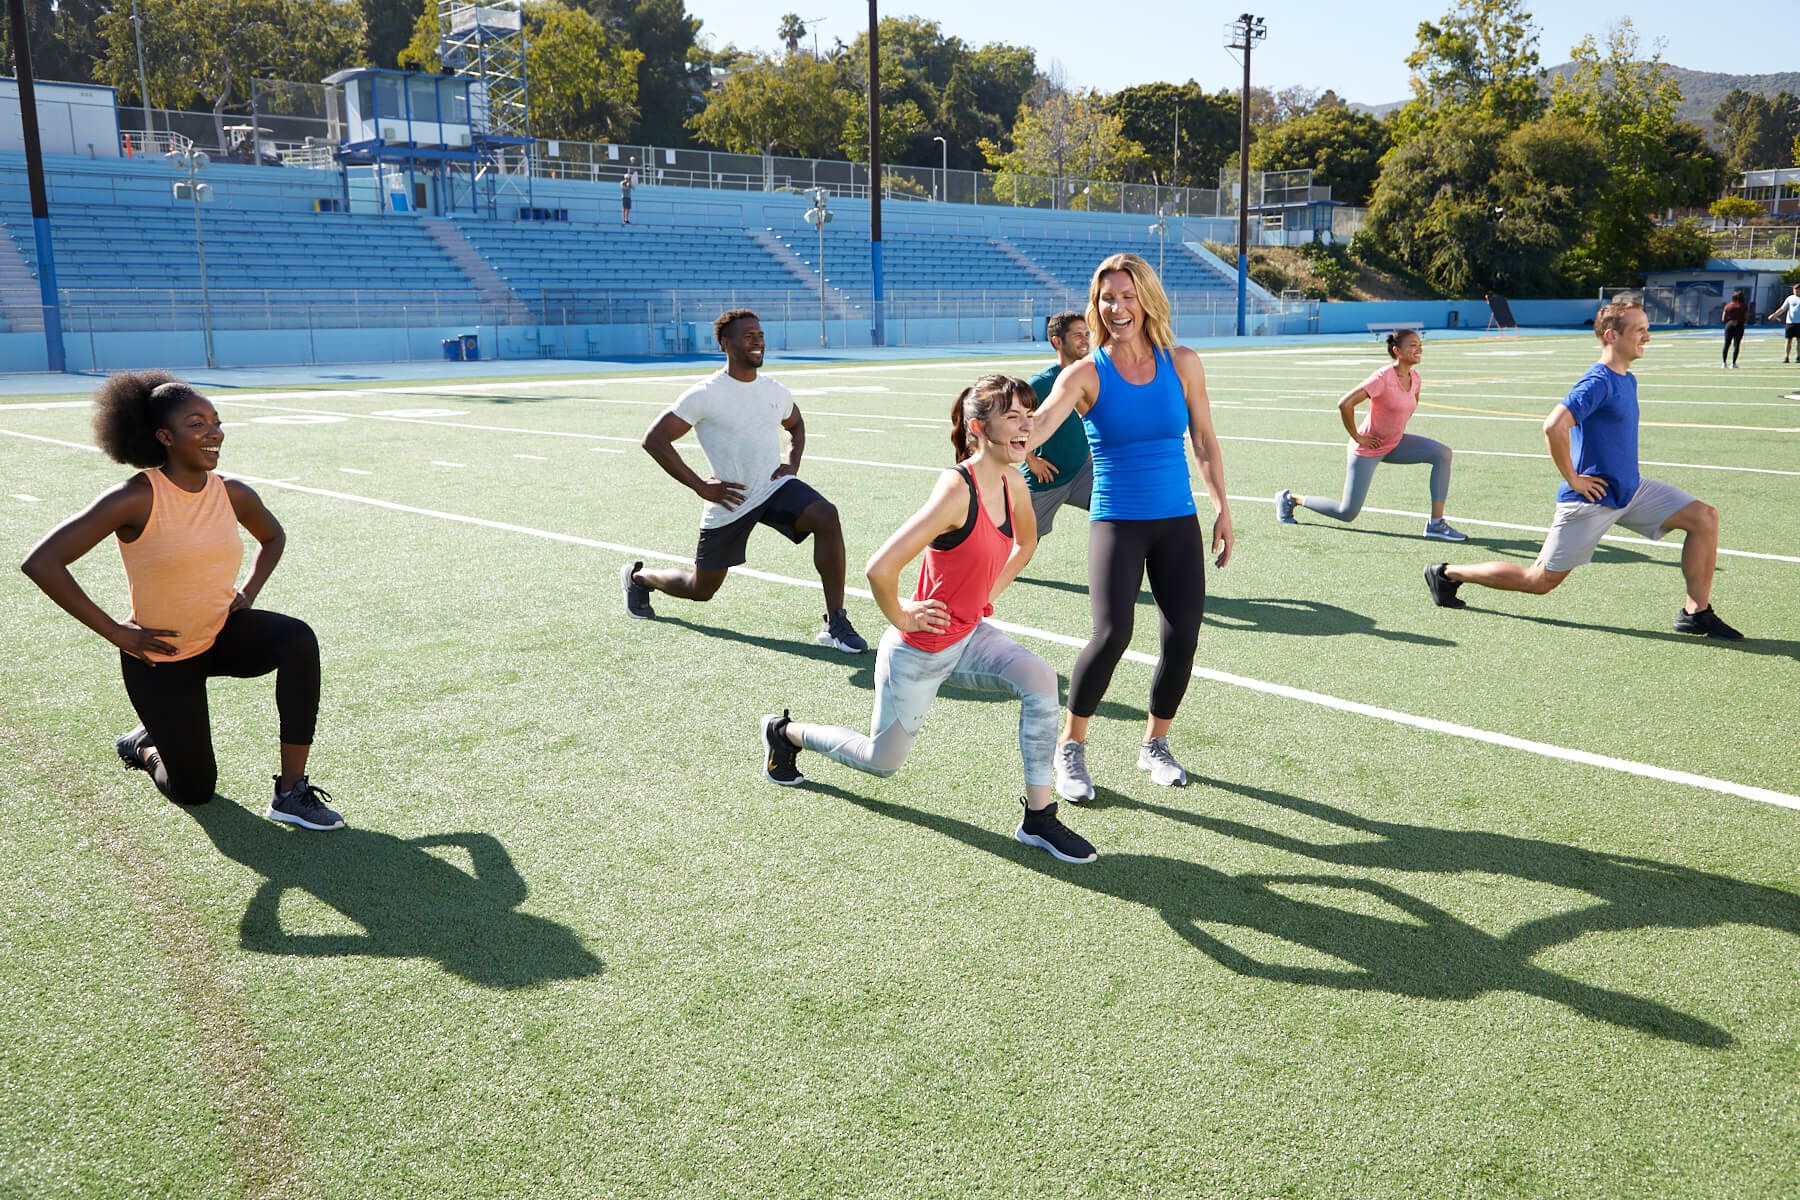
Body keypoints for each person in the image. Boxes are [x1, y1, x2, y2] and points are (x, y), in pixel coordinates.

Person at [760, 374, 1096, 865]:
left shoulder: (1013, 480)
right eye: (1013, 416)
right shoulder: (957, 491)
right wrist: (902, 615)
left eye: (1029, 414)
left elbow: (1026, 543)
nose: (1026, 426)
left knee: (1041, 680)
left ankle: (1038, 818)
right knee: (882, 762)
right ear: (979, 428)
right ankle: (785, 733)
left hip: (969, 637)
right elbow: (881, 567)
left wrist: (986, 595)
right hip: (920, 650)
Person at [20, 372, 345, 829]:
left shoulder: (233, 493)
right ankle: (146, 744)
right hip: (160, 655)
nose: (214, 432)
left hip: (219, 633)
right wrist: (117, 632)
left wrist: (248, 592)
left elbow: (273, 537)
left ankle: (290, 792)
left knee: (297, 639)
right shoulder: (134, 498)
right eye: (197, 423)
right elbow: (43, 562)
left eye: (216, 421)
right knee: (195, 791)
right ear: (164, 437)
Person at [1026, 252, 1233, 801]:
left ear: (1147, 299)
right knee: (1112, 634)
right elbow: (1043, 423)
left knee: (1182, 637)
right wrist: (1001, 433)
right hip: (1117, 518)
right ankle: (1070, 746)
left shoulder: (1182, 362)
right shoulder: (1085, 373)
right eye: (1106, 298)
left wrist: (1222, 508)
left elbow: (1205, 440)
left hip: (1177, 521)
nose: (1116, 308)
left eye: (1126, 296)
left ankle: (1155, 743)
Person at [1424, 300, 1743, 640]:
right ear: (1611, 335)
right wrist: (1573, 479)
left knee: (1704, 517)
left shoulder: (1627, 379)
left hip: (1630, 490)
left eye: (1646, 329)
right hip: (1590, 500)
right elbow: (1554, 426)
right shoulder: (1598, 381)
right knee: (1539, 581)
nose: (1647, 337)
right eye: (1639, 330)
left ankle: (1696, 613)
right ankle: (1447, 573)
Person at [623, 308, 868, 653]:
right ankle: (639, 578)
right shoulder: (705, 394)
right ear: (726, 343)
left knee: (826, 515)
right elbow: (655, 439)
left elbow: (795, 425)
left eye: (760, 335)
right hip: (730, 500)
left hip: (773, 487)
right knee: (701, 589)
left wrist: (791, 462)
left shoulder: (774, 390)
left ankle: (835, 621)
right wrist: (702, 487)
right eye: (749, 336)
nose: (758, 341)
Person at [1275, 328, 1466, 541]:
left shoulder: (1416, 378)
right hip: (1368, 449)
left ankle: (1436, 524)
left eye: (1419, 344)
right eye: (1412, 345)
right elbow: (1345, 403)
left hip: (1394, 444)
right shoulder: (1382, 377)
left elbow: (1410, 406)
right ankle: (1291, 499)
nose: (1419, 348)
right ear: (1397, 351)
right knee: (1346, 513)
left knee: (1442, 453)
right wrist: (1358, 436)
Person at [1020, 310, 1093, 538]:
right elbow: (1014, 426)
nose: (1085, 340)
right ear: (1057, 341)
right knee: (1019, 549)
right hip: (1046, 479)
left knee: (1123, 507)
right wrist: (1031, 460)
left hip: (1082, 473)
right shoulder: (1040, 383)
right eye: (1077, 335)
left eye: (1087, 333)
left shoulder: (1093, 376)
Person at [1766, 283, 1800, 363]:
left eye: (1798, 291)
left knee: (1799, 341)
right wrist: (1774, 315)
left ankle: (1798, 356)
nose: (1796, 292)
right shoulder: (1790, 298)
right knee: (1788, 340)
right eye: (1795, 291)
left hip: (1799, 323)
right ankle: (1786, 357)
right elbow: (1782, 309)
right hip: (1790, 323)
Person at [1721, 289, 1748, 369]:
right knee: (1736, 345)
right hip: (1739, 325)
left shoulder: (1728, 306)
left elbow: (1723, 318)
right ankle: (1733, 363)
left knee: (1726, 344)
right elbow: (1746, 317)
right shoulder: (1743, 306)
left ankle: (1724, 363)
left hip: (1729, 326)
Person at [620, 156, 638, 226]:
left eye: (629, 178)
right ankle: (623, 219)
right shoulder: (622, 182)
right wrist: (627, 185)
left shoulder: (629, 183)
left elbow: (634, 189)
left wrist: (630, 184)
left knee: (628, 209)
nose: (628, 179)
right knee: (624, 208)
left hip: (629, 197)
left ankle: (627, 219)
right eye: (627, 178)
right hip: (624, 197)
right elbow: (623, 188)